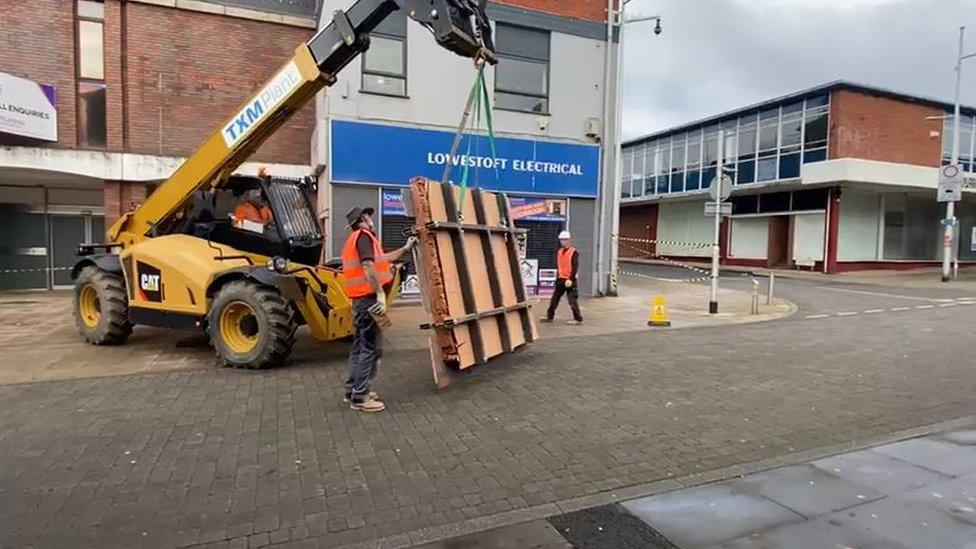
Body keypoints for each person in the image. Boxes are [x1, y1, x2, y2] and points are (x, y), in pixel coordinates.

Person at [341, 206, 417, 412]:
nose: (370, 219)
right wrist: (380, 293)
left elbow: (384, 259)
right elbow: (368, 267)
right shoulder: (363, 237)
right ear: (361, 221)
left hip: (363, 301)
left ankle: (353, 390)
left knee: (360, 347)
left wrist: (405, 248)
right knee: (371, 349)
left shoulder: (360, 239)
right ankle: (361, 397)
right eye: (367, 217)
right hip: (370, 300)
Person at [541, 230, 583, 325]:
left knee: (572, 300)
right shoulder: (559, 252)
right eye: (561, 240)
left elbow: (575, 267)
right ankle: (549, 316)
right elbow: (560, 266)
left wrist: (571, 279)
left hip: (569, 280)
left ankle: (578, 318)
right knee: (554, 299)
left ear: (569, 240)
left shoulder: (573, 252)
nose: (562, 242)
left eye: (564, 240)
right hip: (560, 279)